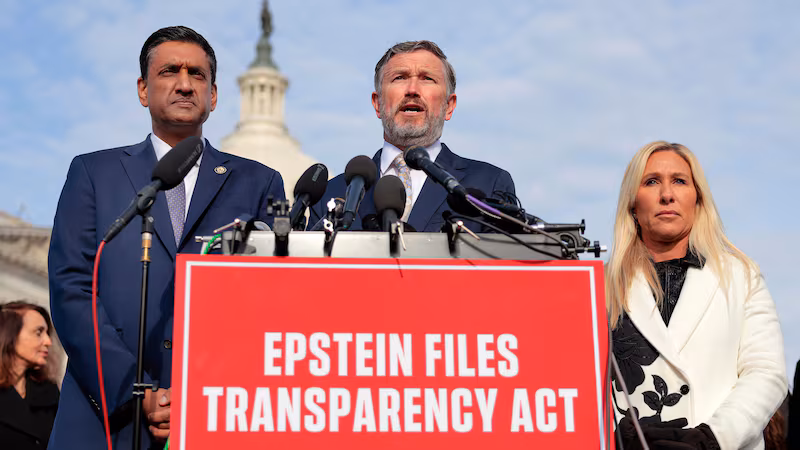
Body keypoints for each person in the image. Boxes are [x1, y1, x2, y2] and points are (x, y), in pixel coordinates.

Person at [47, 26, 284, 449]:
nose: (184, 83)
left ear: (213, 95)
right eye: (169, 71)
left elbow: (269, 306)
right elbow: (72, 288)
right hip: (105, 419)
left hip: (217, 415)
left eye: (197, 74)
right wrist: (133, 391)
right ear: (143, 89)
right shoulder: (93, 174)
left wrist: (200, 395)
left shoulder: (259, 182)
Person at [606, 141, 787, 449]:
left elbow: (766, 373)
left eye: (679, 180)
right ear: (633, 204)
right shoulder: (600, 286)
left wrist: (711, 439)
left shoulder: (741, 276)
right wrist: (611, 437)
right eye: (651, 181)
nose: (667, 194)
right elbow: (574, 386)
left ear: (698, 199)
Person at [309, 40, 515, 232]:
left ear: (449, 106)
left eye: (427, 79)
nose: (412, 90)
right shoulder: (330, 193)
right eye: (400, 78)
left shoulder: (488, 184)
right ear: (377, 103)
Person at [0, 301, 59, 450]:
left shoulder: (49, 393)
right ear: (10, 335)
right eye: (38, 333)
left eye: (47, 333)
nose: (48, 341)